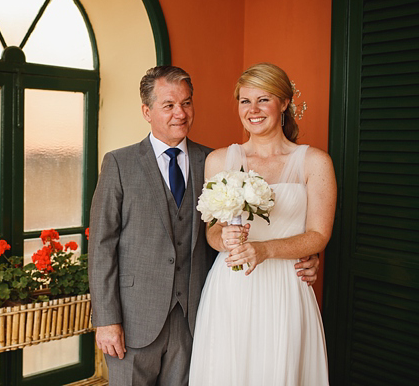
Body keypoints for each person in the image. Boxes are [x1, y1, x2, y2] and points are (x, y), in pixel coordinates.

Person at [88, 65, 321, 386]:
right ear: (147, 111)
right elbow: (101, 244)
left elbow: (225, 231)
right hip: (136, 320)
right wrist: (107, 320)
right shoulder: (119, 163)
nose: (179, 113)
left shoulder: (212, 160)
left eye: (186, 103)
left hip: (196, 315)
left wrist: (306, 254)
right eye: (168, 105)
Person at [189, 62, 336, 385]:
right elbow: (211, 231)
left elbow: (319, 234)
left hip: (286, 287)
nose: (253, 110)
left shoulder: (314, 162)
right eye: (245, 101)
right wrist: (224, 238)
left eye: (263, 99)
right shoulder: (219, 160)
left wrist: (264, 249)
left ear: (284, 103)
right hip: (232, 288)